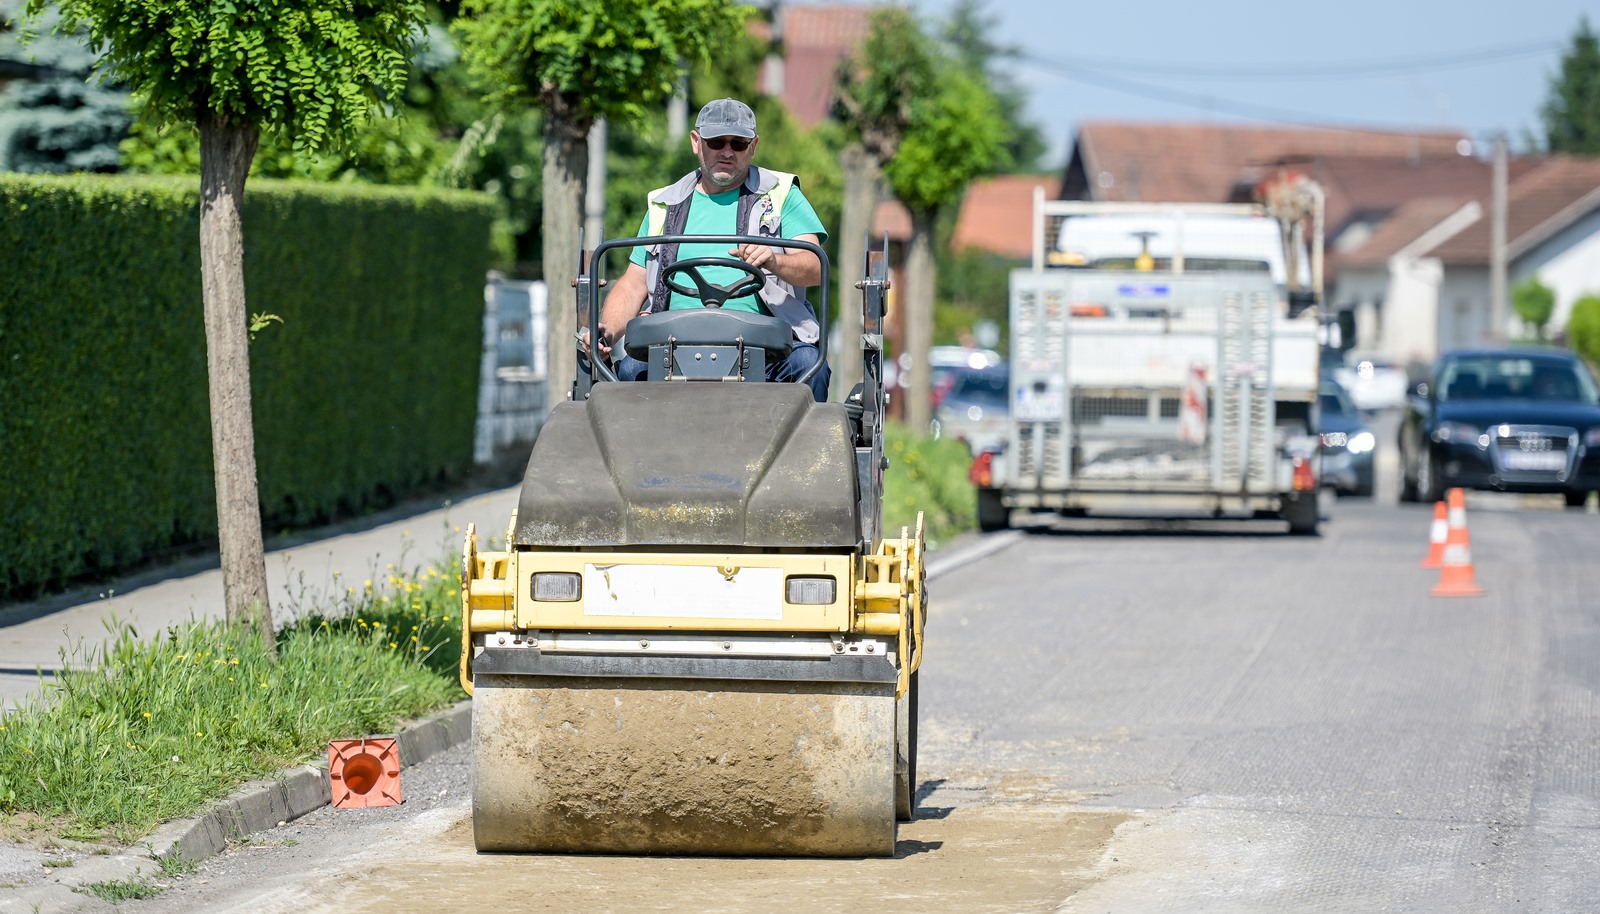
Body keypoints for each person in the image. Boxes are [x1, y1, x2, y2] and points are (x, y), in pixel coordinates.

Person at [594, 97, 831, 401]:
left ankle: (801, 449)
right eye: (717, 141)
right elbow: (633, 282)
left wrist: (774, 260)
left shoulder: (782, 196)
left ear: (754, 146)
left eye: (739, 143)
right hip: (673, 345)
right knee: (629, 371)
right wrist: (605, 334)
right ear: (697, 142)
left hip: (765, 349)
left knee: (808, 364)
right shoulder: (665, 204)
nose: (727, 151)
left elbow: (815, 266)